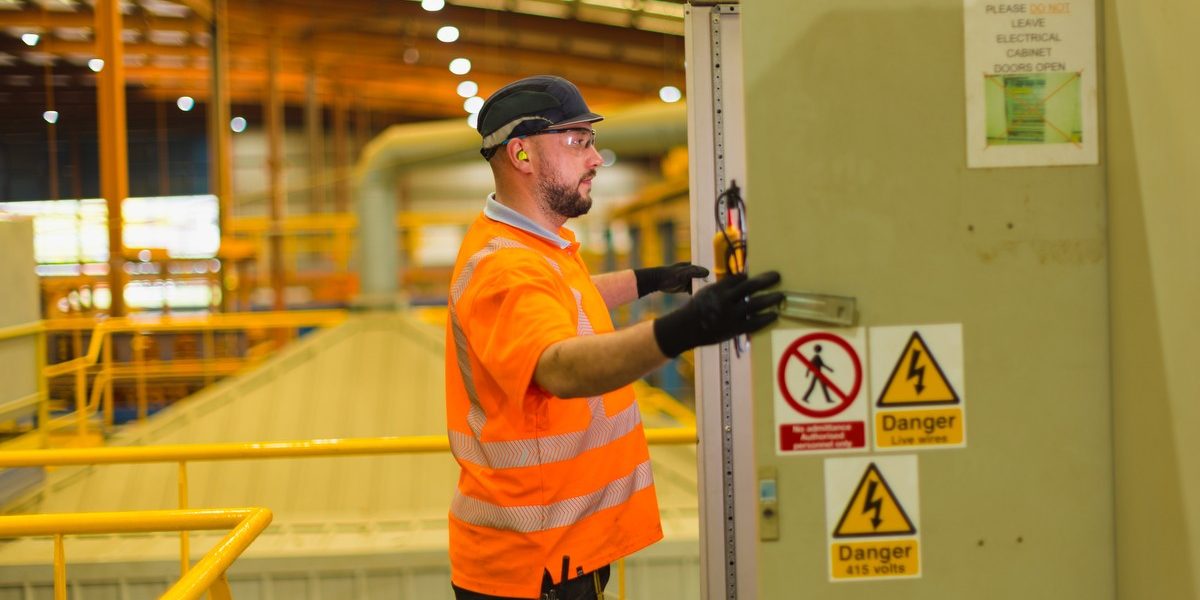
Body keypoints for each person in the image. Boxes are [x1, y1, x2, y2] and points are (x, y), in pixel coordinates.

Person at [445, 75, 782, 600]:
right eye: (578, 141)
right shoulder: (506, 268)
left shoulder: (531, 245)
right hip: (534, 563)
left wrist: (649, 281)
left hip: (557, 549)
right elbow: (559, 365)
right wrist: (685, 329)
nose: (597, 158)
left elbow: (568, 298)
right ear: (522, 155)